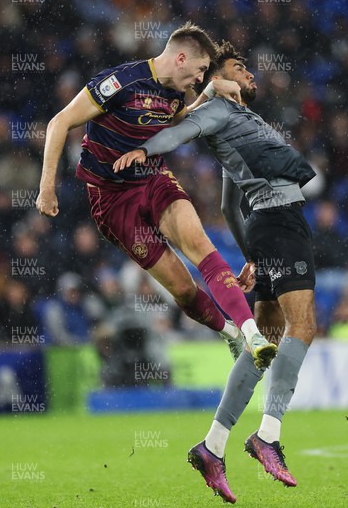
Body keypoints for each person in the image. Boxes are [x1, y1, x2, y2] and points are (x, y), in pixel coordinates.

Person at [115, 41, 317, 503]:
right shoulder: (219, 115)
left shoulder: (241, 123)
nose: (248, 74)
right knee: (302, 326)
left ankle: (213, 447)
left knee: (262, 338)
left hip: (267, 230)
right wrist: (144, 150)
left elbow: (229, 203)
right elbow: (180, 133)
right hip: (282, 223)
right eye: (238, 67)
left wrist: (251, 255)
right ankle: (267, 435)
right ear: (217, 77)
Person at [36, 22, 277, 368]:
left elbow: (180, 120)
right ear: (180, 58)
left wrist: (210, 92)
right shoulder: (120, 83)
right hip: (113, 200)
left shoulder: (177, 91)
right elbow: (59, 123)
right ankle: (232, 334)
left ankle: (253, 334)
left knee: (200, 245)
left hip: (153, 179)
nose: (198, 80)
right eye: (197, 72)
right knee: (182, 289)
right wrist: (47, 189)